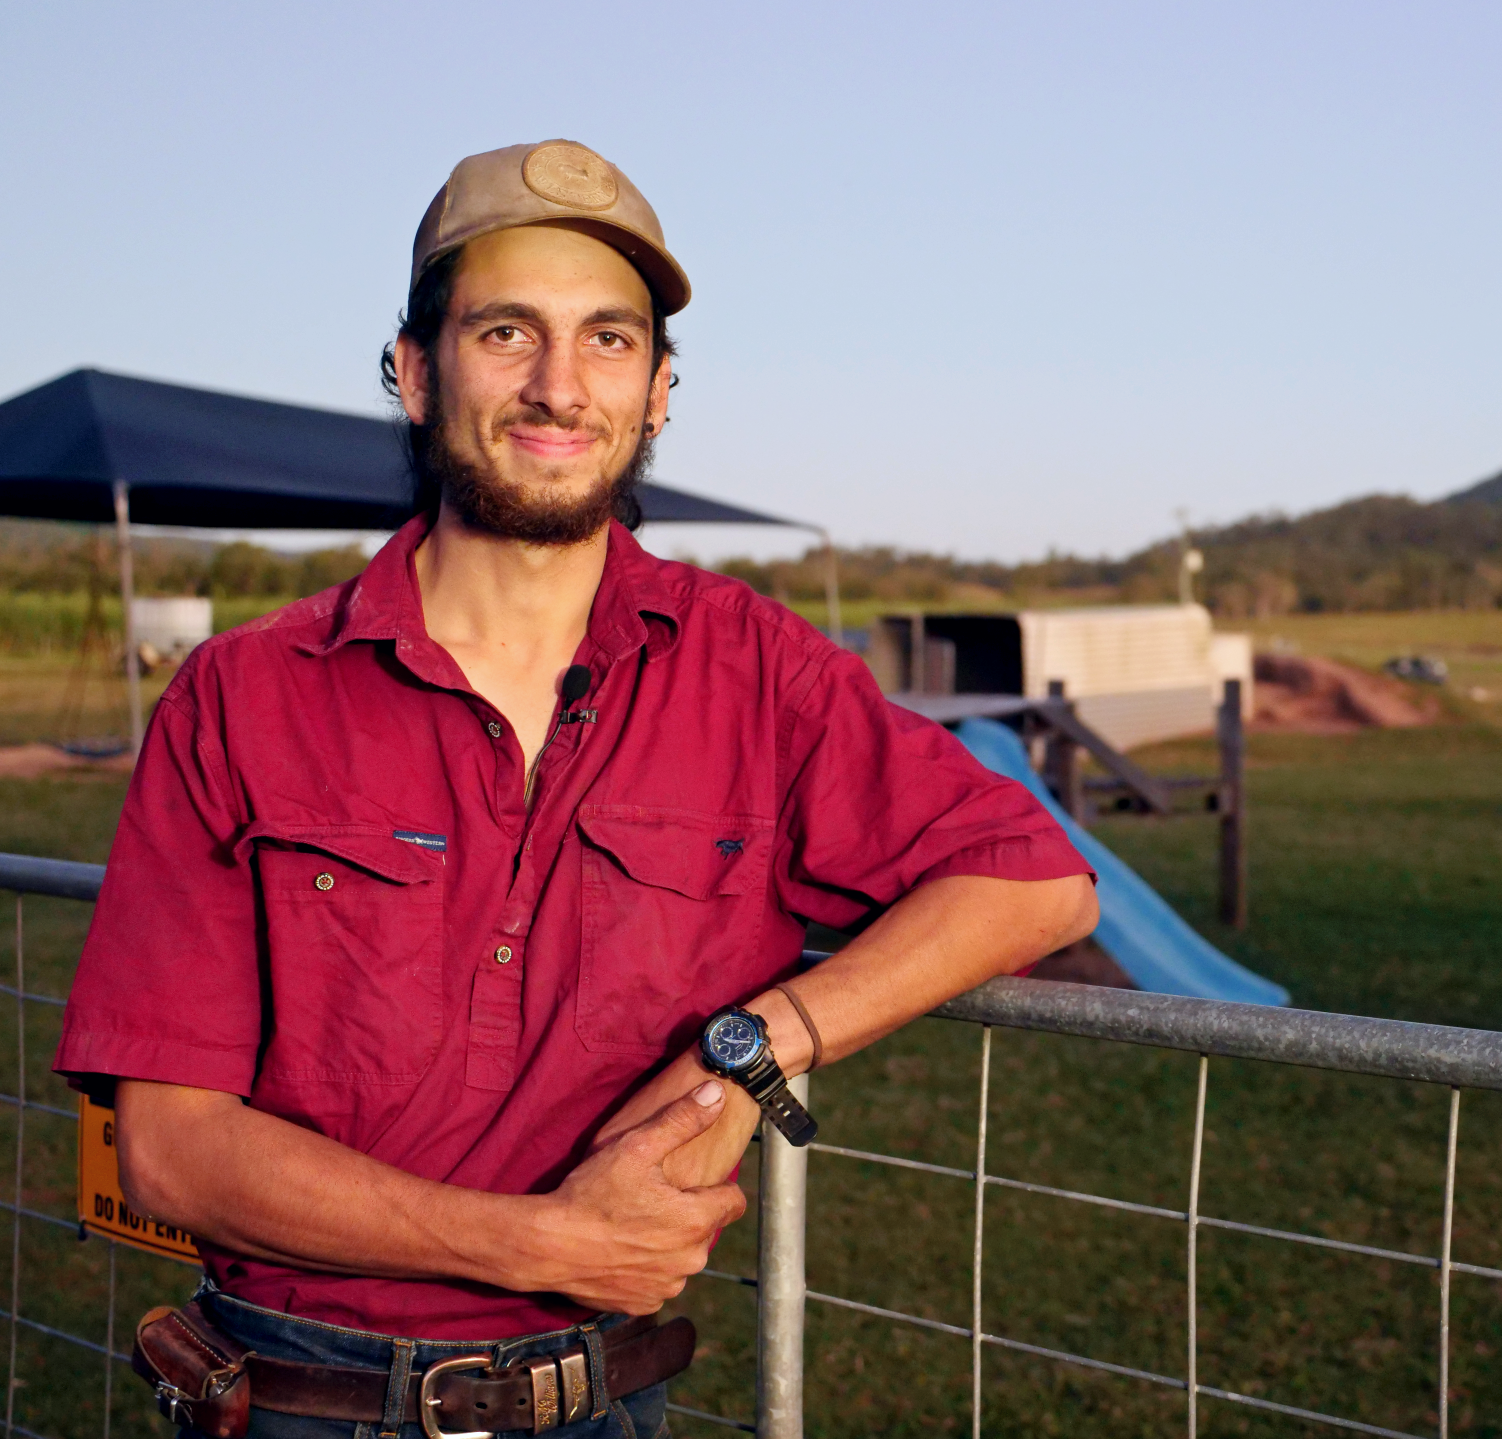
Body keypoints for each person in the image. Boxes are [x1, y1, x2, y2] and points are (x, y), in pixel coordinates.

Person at [54, 139, 1097, 1438]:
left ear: (659, 391)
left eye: (608, 342)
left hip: (604, 1400)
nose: (561, 387)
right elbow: (173, 1150)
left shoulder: (759, 673)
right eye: (508, 332)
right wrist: (545, 1242)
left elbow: (1037, 879)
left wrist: (757, 1046)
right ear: (416, 371)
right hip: (295, 1396)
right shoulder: (241, 694)